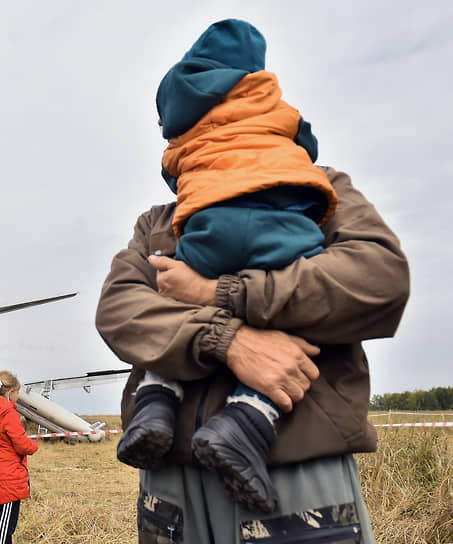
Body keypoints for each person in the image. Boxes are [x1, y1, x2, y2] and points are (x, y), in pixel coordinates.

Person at [95, 19, 410, 544]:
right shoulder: (158, 221)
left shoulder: (318, 190)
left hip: (292, 478)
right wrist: (230, 341)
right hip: (170, 485)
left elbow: (377, 280)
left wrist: (218, 293)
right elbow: (121, 310)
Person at [115, 18, 339, 515]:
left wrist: (206, 292)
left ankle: (155, 399)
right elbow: (306, 141)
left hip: (206, 224)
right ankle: (248, 417)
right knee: (298, 305)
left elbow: (380, 283)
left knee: (170, 288)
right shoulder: (277, 112)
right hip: (286, 229)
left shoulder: (181, 107)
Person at [0, 370, 38, 544]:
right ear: (10, 393)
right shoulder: (9, 414)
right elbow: (21, 444)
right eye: (18, 392)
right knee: (5, 524)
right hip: (9, 476)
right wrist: (33, 445)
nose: (18, 395)